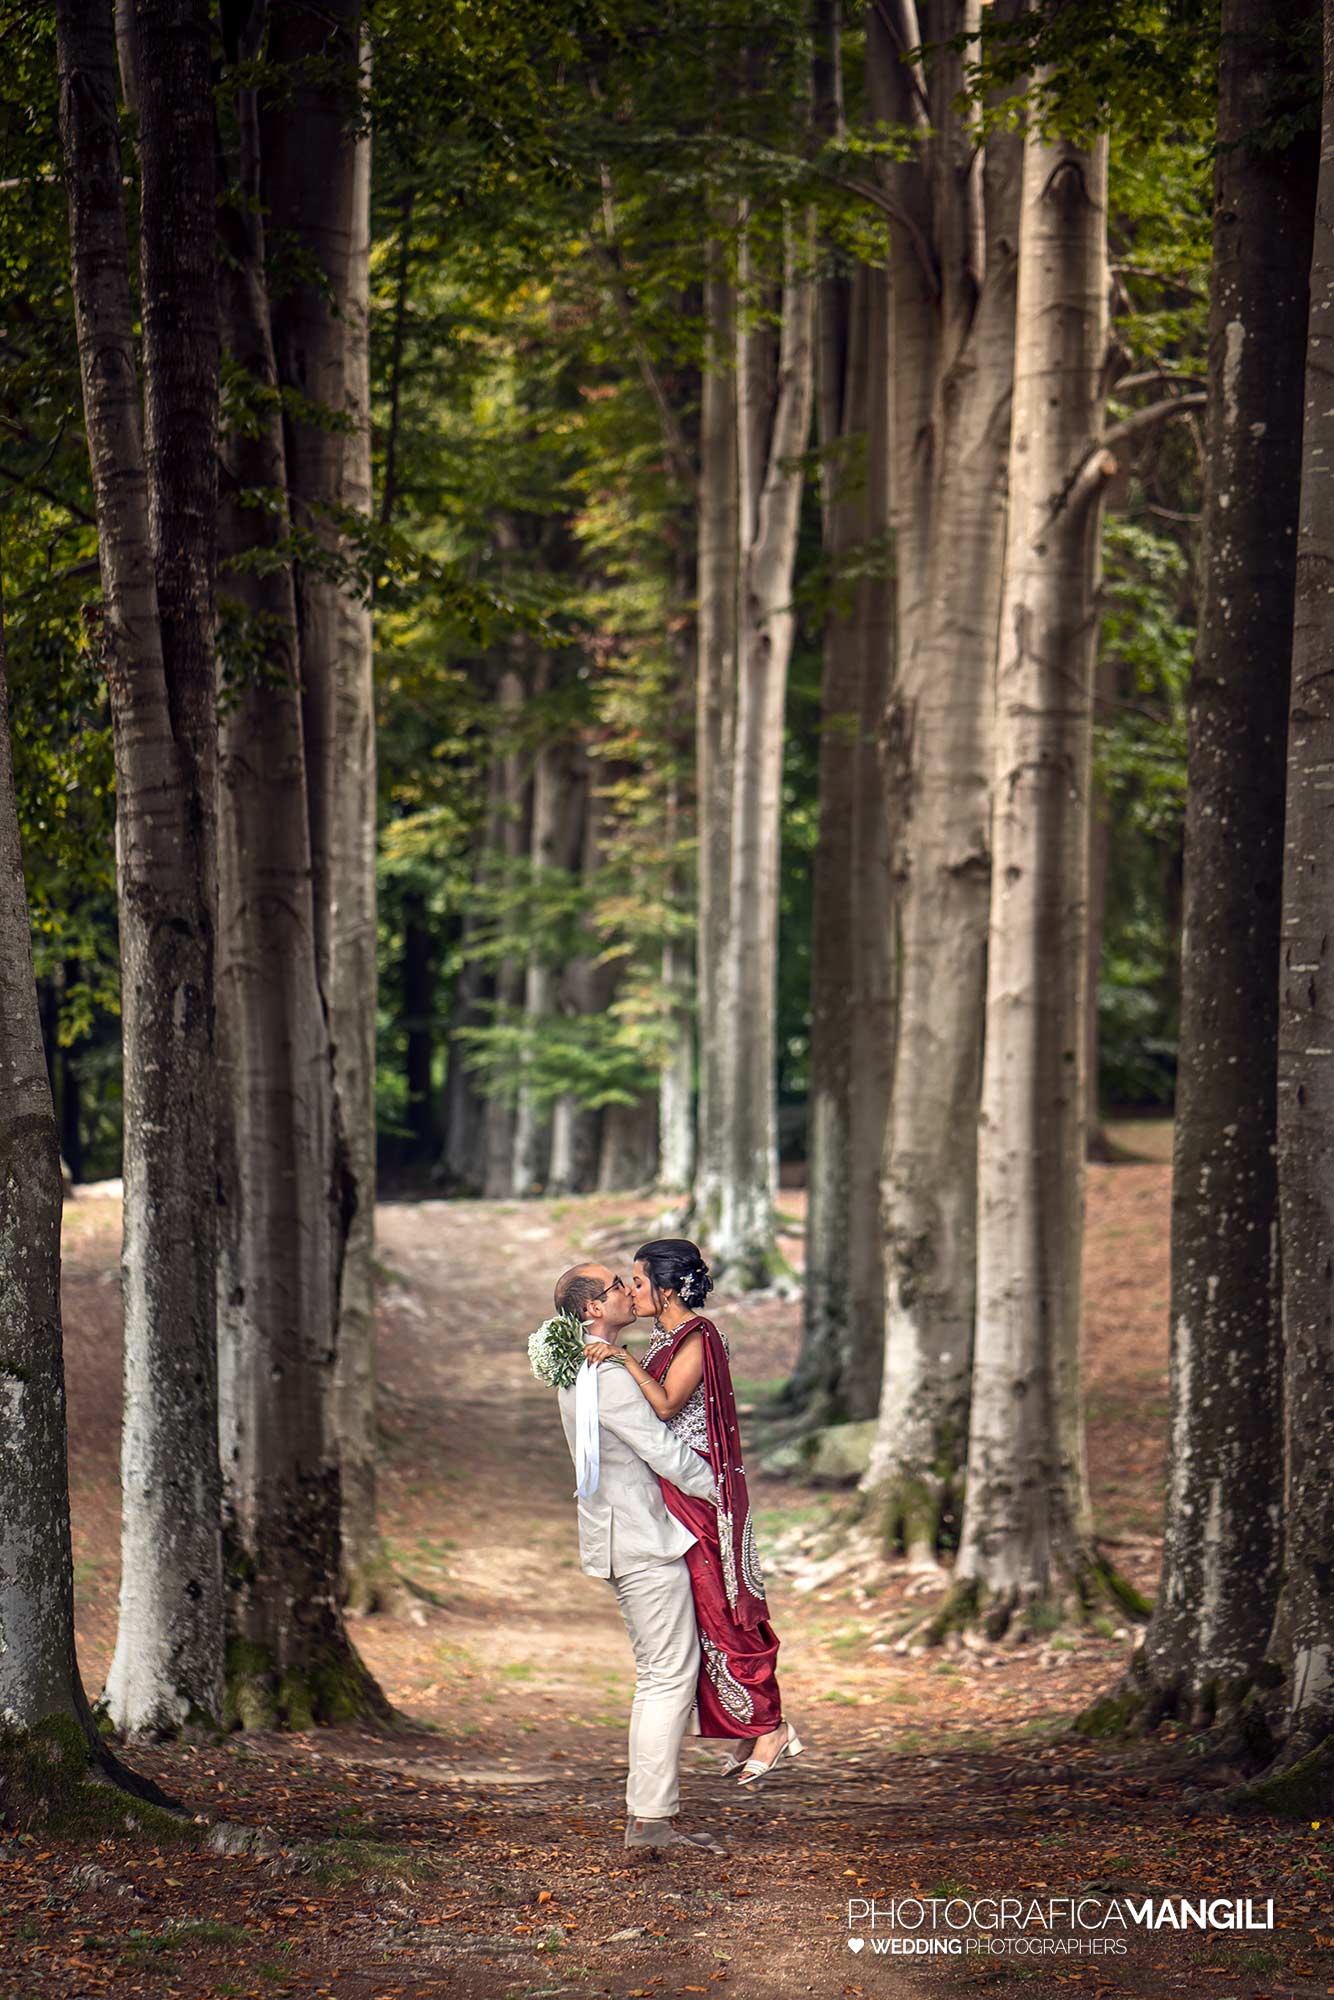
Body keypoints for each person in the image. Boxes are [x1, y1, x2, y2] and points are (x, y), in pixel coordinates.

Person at [582, 1239, 803, 1791]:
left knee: (724, 1606)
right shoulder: (663, 1339)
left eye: (637, 1282)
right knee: (704, 1618)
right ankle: (748, 1730)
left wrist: (623, 1359)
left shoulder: (698, 1337)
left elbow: (665, 1407)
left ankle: (772, 1727)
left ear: (666, 1285)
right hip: (668, 1494)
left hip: (697, 1489)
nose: (631, 1292)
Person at [550, 1260, 728, 1855]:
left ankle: (651, 1815)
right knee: (666, 1675)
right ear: (592, 1309)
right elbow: (665, 1454)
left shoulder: (583, 1365)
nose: (630, 1292)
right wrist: (726, 1490)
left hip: (623, 1536)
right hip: (641, 1541)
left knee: (663, 1671)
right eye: (615, 1287)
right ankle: (650, 1821)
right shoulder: (606, 1376)